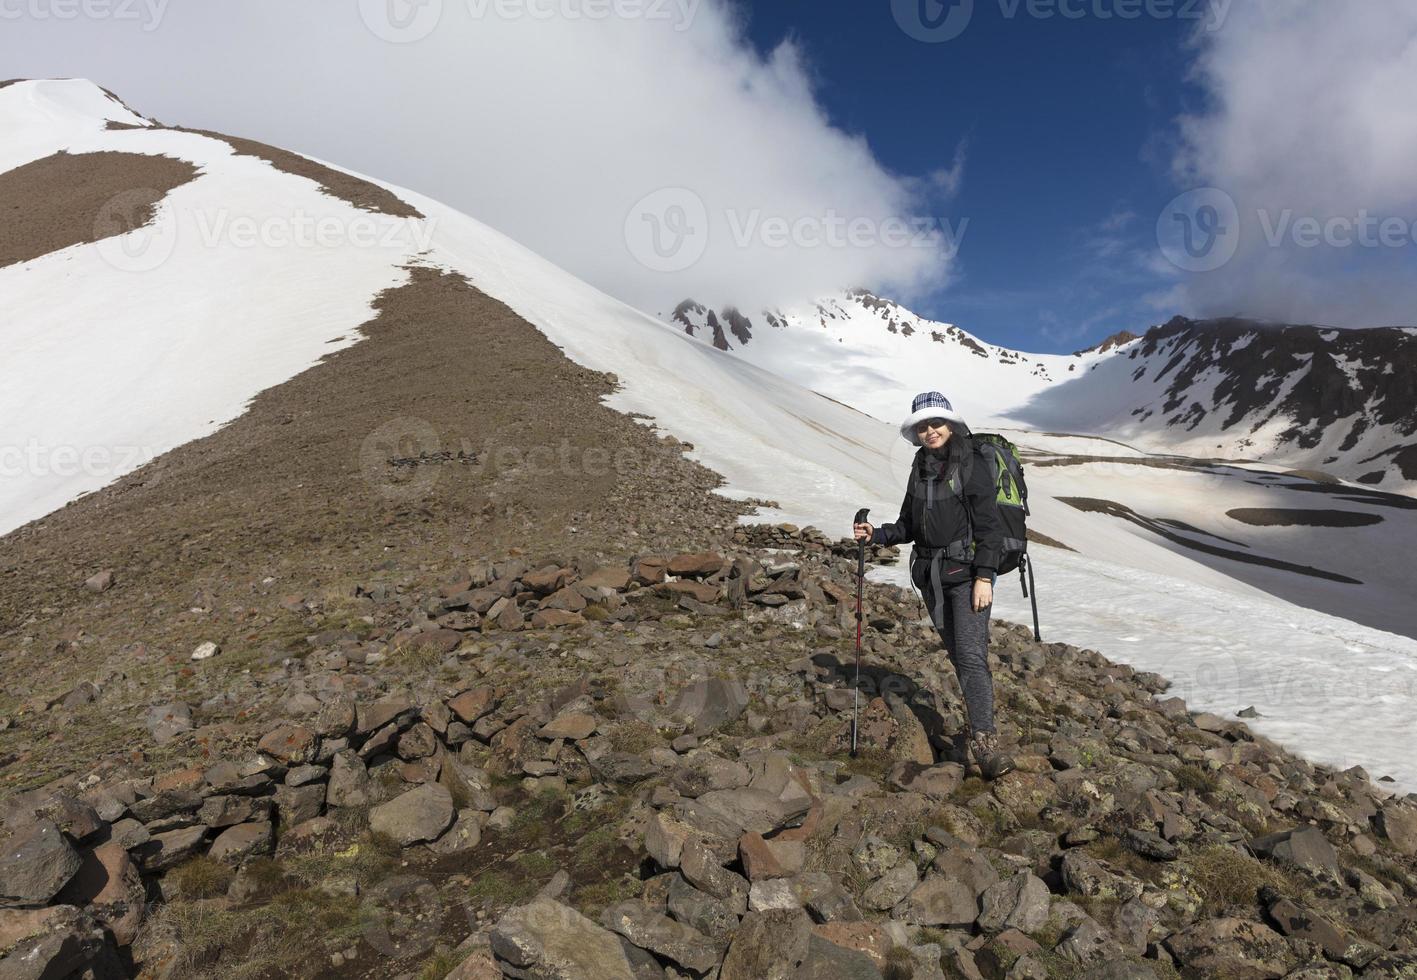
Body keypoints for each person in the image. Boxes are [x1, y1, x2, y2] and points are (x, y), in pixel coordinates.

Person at [853, 391, 1016, 779]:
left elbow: (989, 526)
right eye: (923, 426)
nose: (930, 431)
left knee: (973, 657)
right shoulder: (920, 468)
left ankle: (986, 746)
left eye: (936, 424)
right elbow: (909, 525)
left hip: (968, 577)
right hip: (931, 579)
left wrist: (985, 577)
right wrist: (876, 534)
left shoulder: (972, 463)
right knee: (961, 657)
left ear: (951, 425)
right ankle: (977, 725)